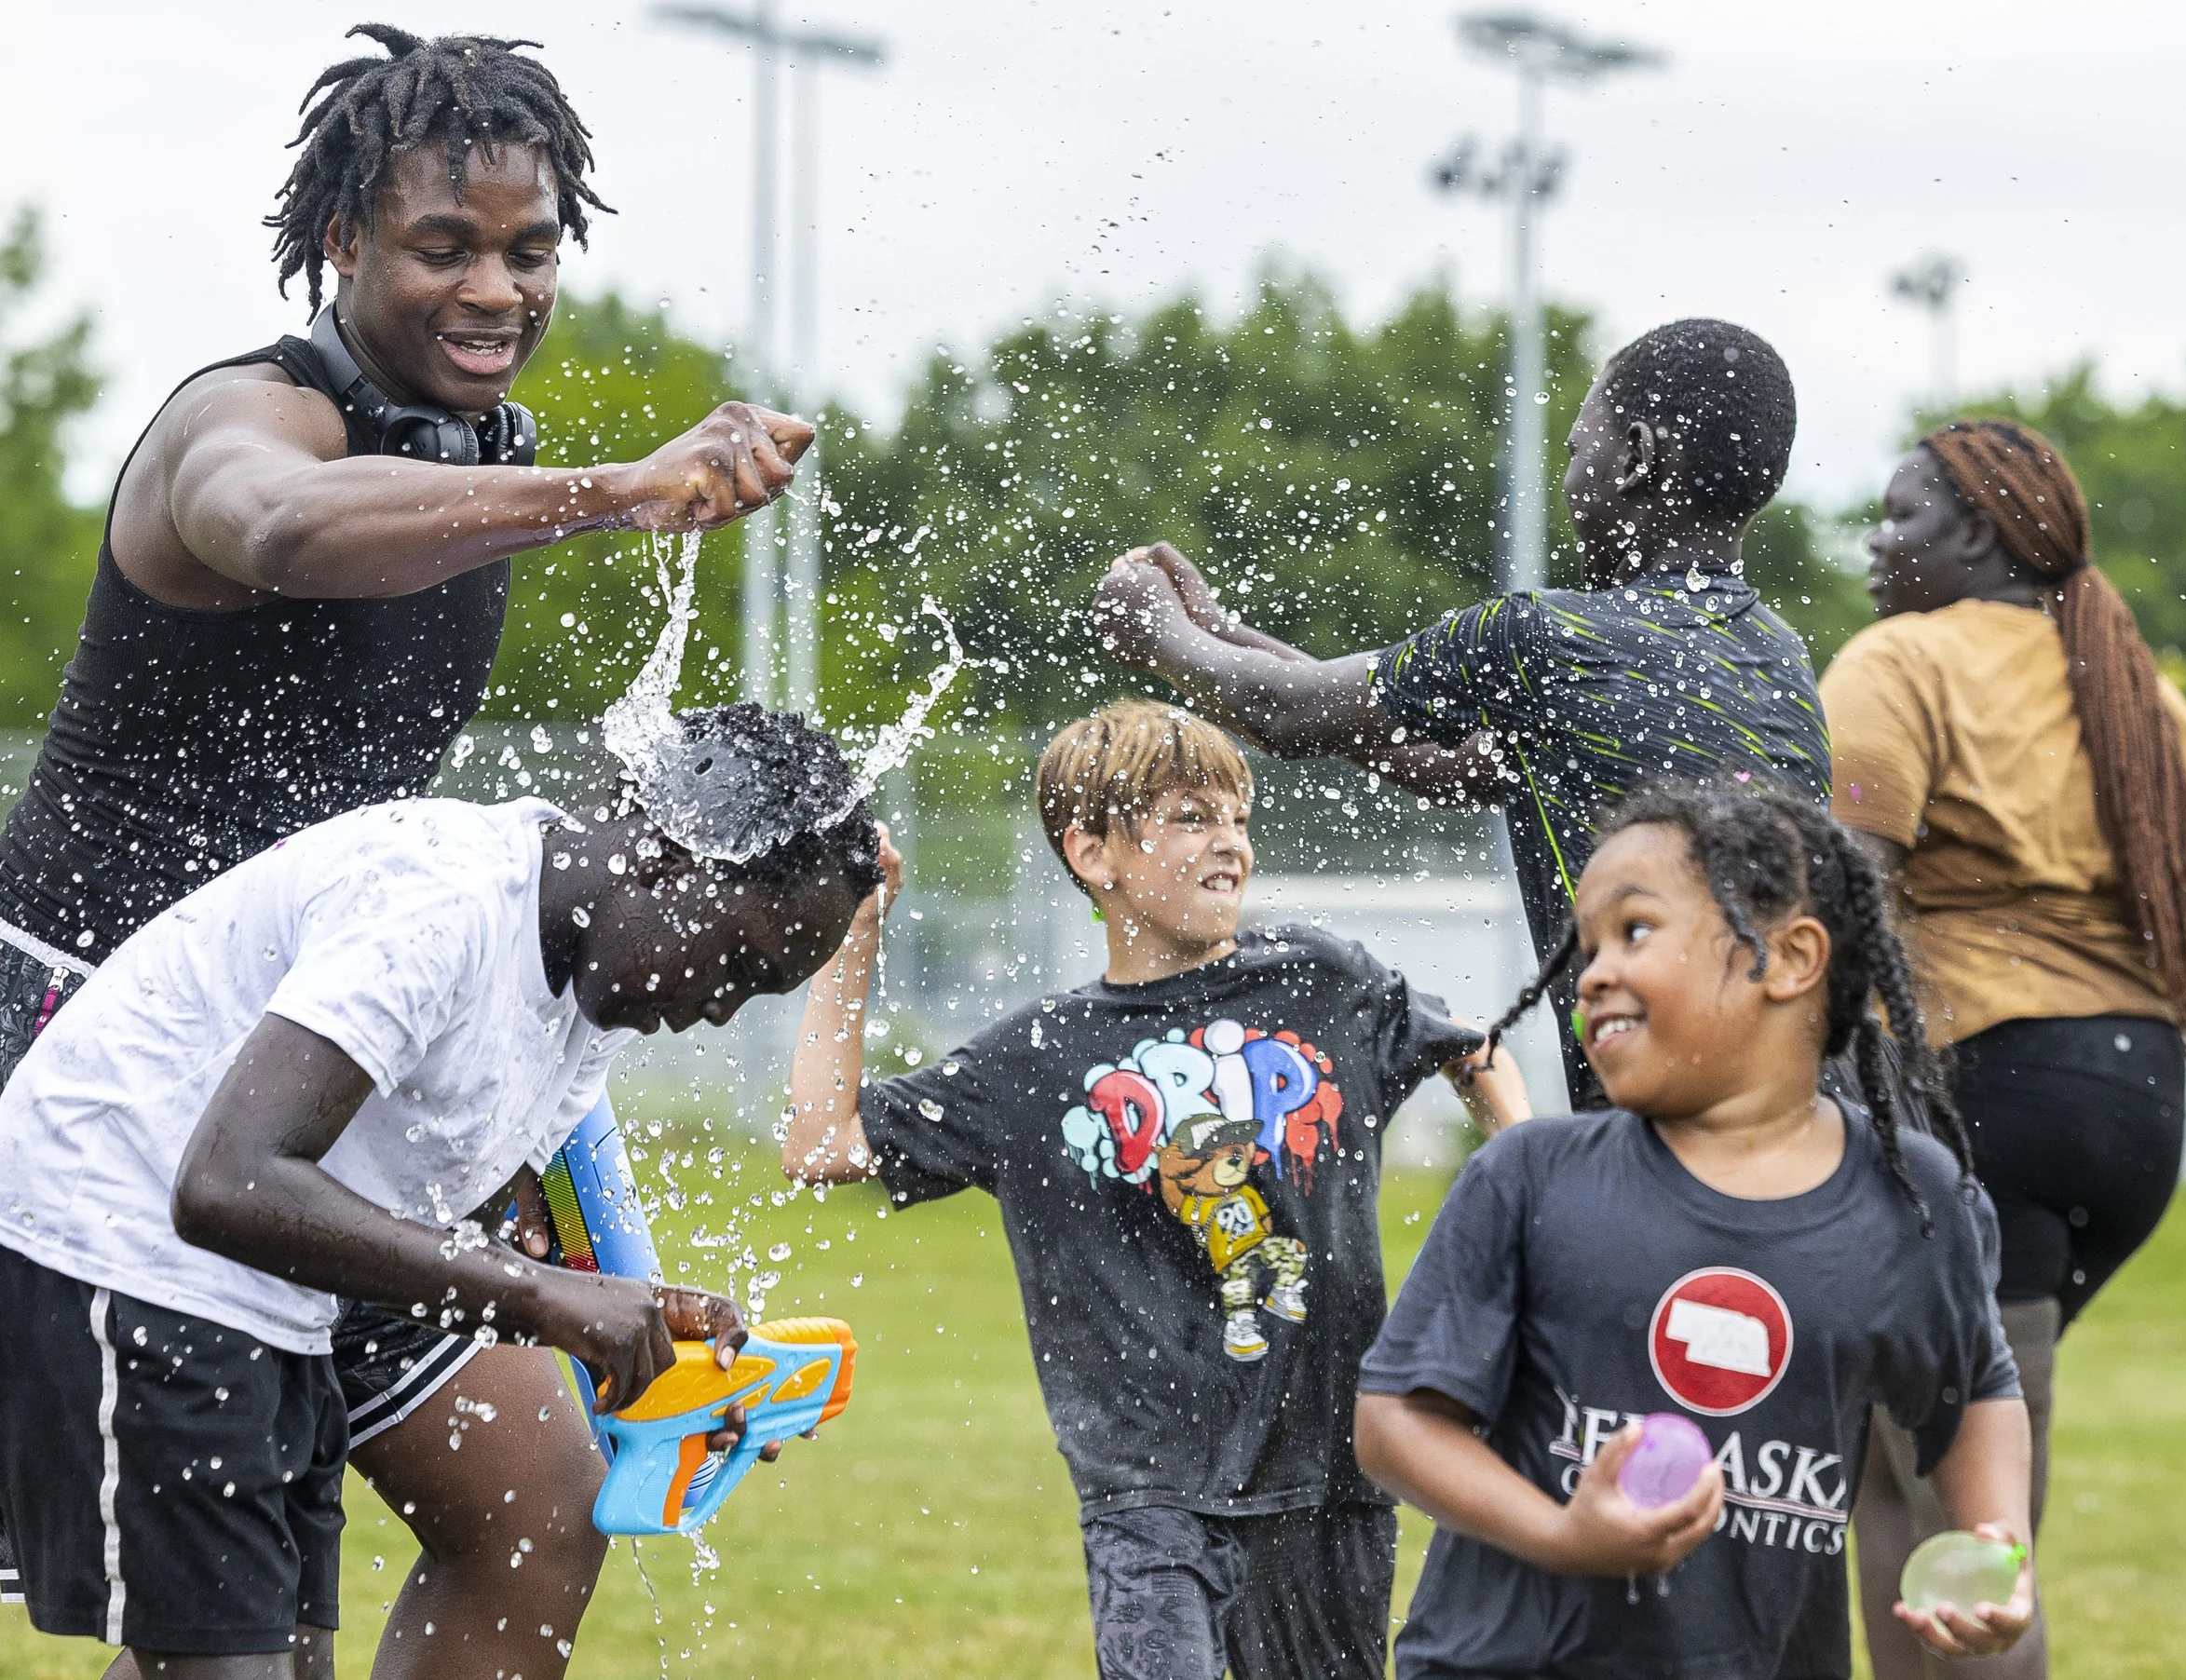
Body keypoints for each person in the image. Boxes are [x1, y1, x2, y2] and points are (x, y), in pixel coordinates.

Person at [0, 26, 813, 1669]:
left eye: (529, 250)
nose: (496, 287)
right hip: (88, 1052)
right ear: (338, 245)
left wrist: (628, 1298)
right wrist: (617, 488)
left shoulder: (479, 459)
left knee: (539, 1490)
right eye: (444, 245)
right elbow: (291, 529)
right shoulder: (247, 422)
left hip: (326, 1078)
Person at [0, 702, 882, 1678]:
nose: (719, 1007)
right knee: (234, 1662)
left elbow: (441, 1233)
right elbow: (224, 1181)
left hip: (276, 1279)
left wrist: (625, 1329)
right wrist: (541, 1296)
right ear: (674, 862)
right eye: (739, 965)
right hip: (115, 1242)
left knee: (284, 1656)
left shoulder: (585, 999)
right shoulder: (444, 900)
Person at [785, 700, 1529, 1680]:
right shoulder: (1036, 1060)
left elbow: (1469, 1048)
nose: (1230, 845)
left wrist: (1535, 1189)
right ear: (1092, 852)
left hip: (1330, 1473)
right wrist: (857, 929)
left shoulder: (1320, 980)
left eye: (1238, 818)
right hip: (1148, 1493)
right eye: (1190, 818)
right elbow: (822, 1143)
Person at [1353, 785, 2035, 1679]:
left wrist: (1998, 1538)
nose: (1591, 972)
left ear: (1789, 959)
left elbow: (1973, 1379)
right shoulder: (1531, 1177)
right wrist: (1564, 1537)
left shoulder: (1908, 1198)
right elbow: (1395, 1421)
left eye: (1633, 932)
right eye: (1585, 946)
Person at [1092, 318, 1832, 1104]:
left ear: (1639, 460)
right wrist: (1218, 633)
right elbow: (1444, 767)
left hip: (1670, 1142)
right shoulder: (1780, 662)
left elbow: (1287, 714)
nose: (1572, 480)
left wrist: (1159, 634)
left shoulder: (1548, 637)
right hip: (1809, 1111)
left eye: (1581, 452)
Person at [1822, 419, 2186, 1680]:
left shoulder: (1902, 662)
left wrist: (1813, 1102)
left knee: (1960, 1523)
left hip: (1983, 1095)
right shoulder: (2145, 696)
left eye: (1902, 518)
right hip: (2136, 1107)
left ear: (1981, 532)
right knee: (1908, 1456)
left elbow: (1851, 899)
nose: (1877, 544)